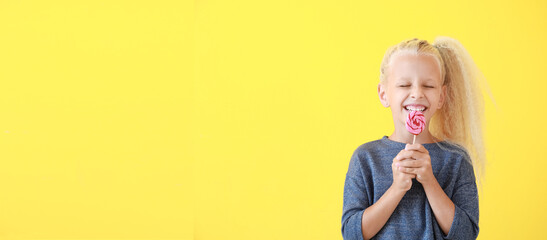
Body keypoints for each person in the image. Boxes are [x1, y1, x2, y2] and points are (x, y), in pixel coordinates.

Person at [341, 37, 488, 240]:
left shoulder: (457, 159)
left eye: (428, 86)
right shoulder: (366, 158)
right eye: (404, 85)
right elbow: (351, 234)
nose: (417, 94)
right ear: (384, 94)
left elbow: (466, 234)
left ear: (441, 97)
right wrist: (397, 188)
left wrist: (429, 181)